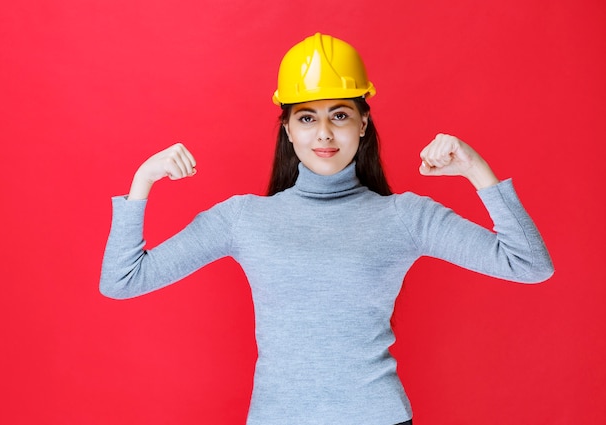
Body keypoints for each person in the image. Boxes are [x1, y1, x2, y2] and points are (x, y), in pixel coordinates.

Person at [100, 33, 554, 425]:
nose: (323, 134)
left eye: (339, 115)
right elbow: (122, 281)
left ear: (363, 123)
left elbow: (530, 265)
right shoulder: (244, 218)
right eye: (306, 117)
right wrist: (143, 180)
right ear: (288, 131)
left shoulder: (405, 217)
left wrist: (477, 171)